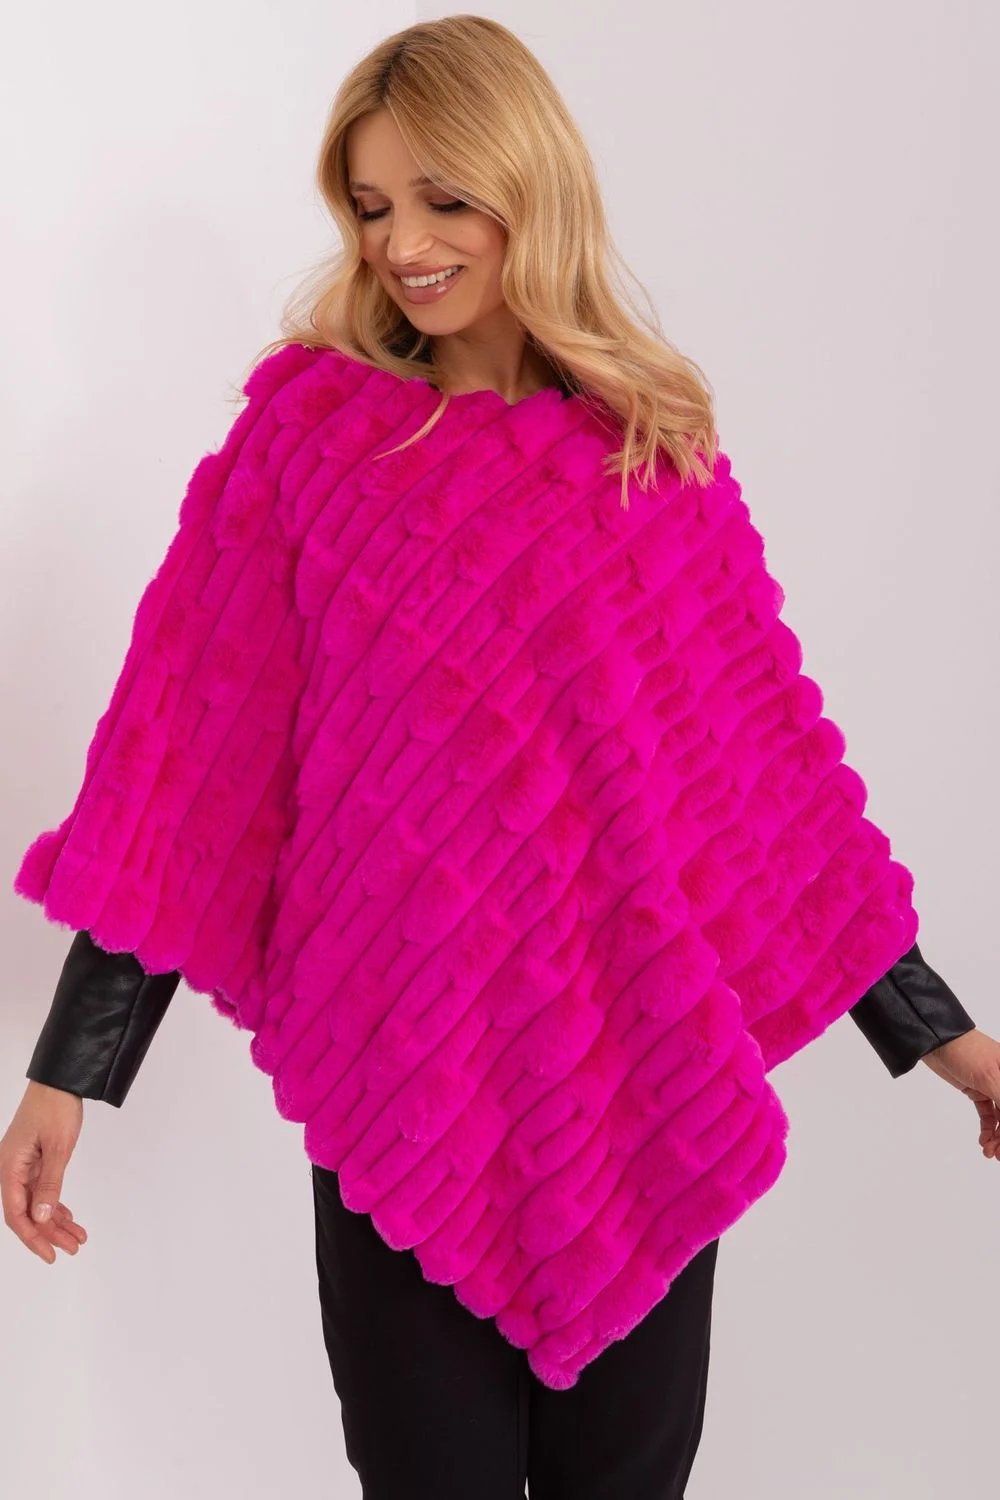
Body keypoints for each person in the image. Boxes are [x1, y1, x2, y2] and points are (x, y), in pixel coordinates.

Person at [3, 16, 997, 1500]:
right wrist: (67, 1076)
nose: (402, 244)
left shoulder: (652, 457)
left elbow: (769, 802)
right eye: (371, 205)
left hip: (635, 1083)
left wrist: (956, 1049)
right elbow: (189, 772)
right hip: (399, 1075)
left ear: (531, 188)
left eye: (443, 199)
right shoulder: (306, 448)